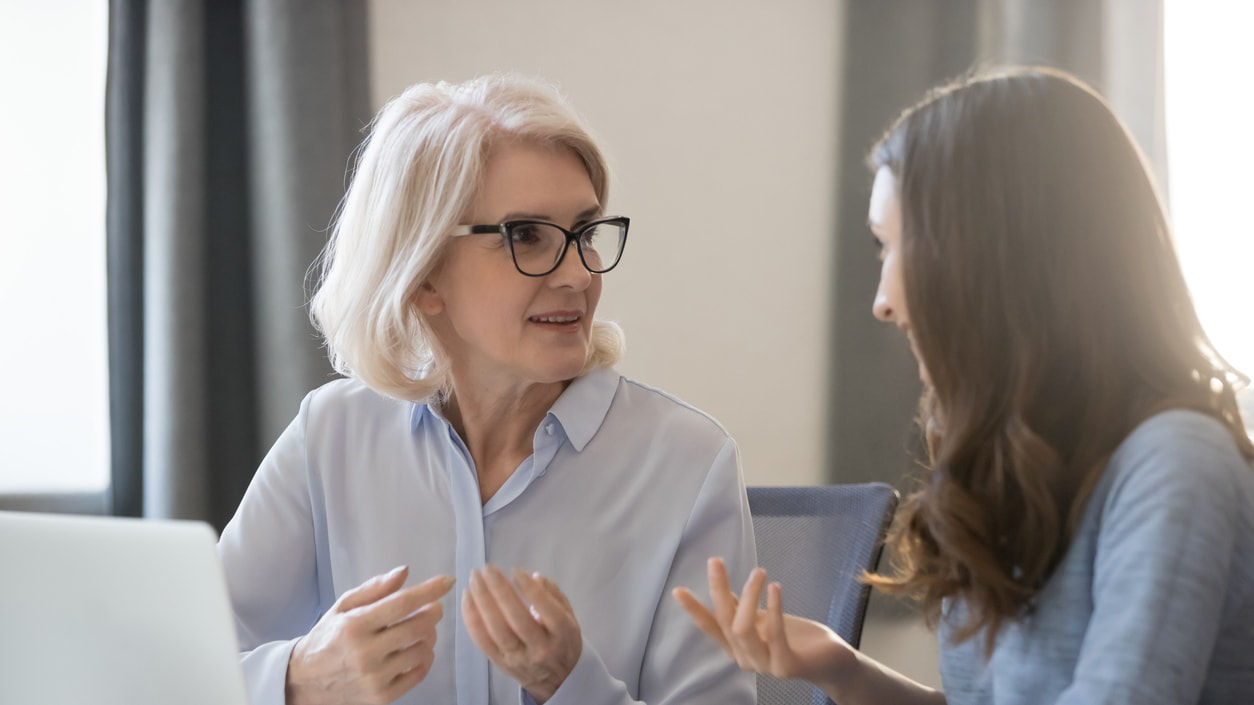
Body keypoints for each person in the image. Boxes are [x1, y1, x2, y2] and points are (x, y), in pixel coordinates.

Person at [675, 66, 1254, 704]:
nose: (883, 300)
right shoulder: (1023, 463)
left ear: (996, 258)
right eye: (879, 249)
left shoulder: (1175, 463)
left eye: (900, 248)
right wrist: (843, 670)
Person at [218, 74, 756, 705]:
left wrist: (573, 685)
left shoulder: (689, 463)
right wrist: (298, 680)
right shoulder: (331, 434)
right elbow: (173, 668)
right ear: (420, 276)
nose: (579, 274)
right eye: (526, 235)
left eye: (584, 232)